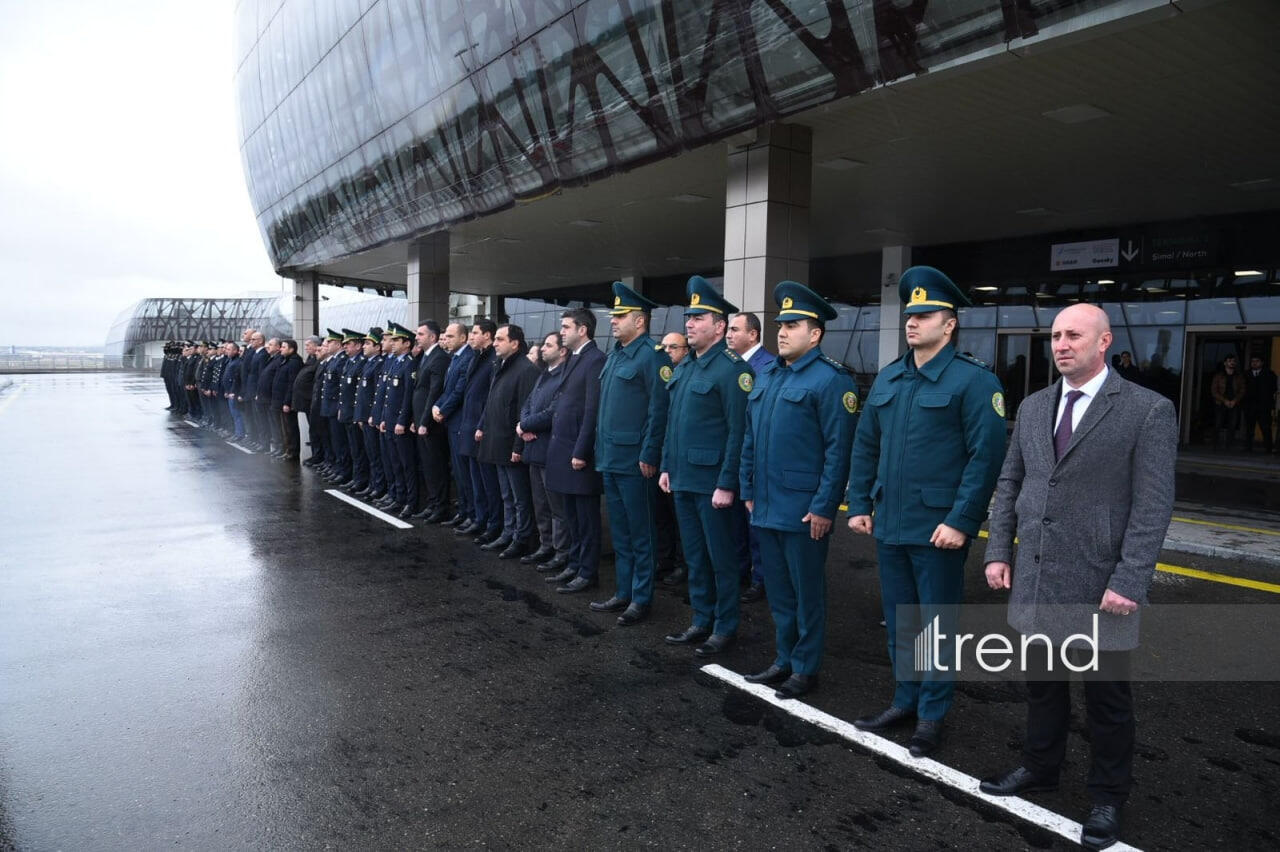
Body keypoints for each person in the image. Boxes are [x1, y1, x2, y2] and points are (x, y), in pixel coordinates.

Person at [979, 303, 1177, 852]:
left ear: (1104, 342)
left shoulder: (1147, 410)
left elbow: (1153, 505)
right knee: (1043, 688)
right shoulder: (1036, 405)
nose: (1061, 344)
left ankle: (1108, 797)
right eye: (1056, 335)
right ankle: (1039, 769)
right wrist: (998, 551)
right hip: (1038, 576)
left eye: (1074, 335)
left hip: (1100, 584)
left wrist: (1130, 580)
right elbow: (1011, 480)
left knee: (1107, 700)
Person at [845, 265, 1007, 758]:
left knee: (935, 625)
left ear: (950, 323)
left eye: (926, 314)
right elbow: (865, 444)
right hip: (892, 523)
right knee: (899, 621)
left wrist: (962, 521)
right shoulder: (892, 376)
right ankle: (904, 700)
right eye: (910, 315)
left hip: (938, 529)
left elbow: (986, 458)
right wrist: (858, 502)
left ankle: (932, 715)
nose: (913, 322)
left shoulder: (973, 382)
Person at [739, 282, 858, 699]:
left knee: (807, 594)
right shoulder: (768, 375)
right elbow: (750, 438)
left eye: (794, 324)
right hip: (767, 504)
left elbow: (837, 451)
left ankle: (806, 669)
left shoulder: (831, 381)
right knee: (780, 590)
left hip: (804, 508)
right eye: (781, 324)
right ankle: (783, 658)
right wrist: (747, 486)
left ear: (816, 333)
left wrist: (826, 506)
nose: (783, 331)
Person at [660, 276, 752, 655]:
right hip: (683, 479)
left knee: (721, 559)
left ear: (719, 326)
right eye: (689, 317)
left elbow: (739, 431)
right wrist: (666, 465)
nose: (690, 323)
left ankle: (725, 625)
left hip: (712, 483)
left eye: (699, 318)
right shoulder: (685, 368)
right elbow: (672, 423)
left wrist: (728, 482)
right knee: (695, 556)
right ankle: (701, 619)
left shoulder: (731, 370)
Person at [589, 282, 671, 626]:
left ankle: (641, 597)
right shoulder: (616, 355)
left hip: (635, 461)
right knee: (620, 532)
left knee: (641, 533)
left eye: (620, 316)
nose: (613, 321)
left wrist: (650, 454)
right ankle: (623, 591)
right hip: (610, 457)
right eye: (613, 315)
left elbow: (659, 409)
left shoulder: (653, 356)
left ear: (640, 321)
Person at [544, 308, 607, 594]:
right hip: (562, 450)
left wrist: (582, 451)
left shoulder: (595, 360)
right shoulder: (575, 359)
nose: (562, 332)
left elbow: (592, 410)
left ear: (582, 330)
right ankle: (573, 563)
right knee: (571, 515)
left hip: (578, 453)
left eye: (567, 327)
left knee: (586, 518)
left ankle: (587, 571)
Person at [476, 323, 540, 557]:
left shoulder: (525, 370)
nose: (495, 343)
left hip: (511, 445)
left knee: (520, 497)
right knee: (506, 495)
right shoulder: (500, 365)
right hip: (497, 440)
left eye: (500, 339)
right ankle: (509, 532)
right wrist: (482, 426)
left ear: (514, 343)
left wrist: (518, 446)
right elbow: (493, 401)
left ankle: (522, 538)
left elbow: (525, 411)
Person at [727, 311, 774, 604]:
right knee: (734, 523)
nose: (729, 335)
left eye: (735, 329)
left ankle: (760, 579)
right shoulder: (731, 365)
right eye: (728, 330)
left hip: (754, 456)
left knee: (753, 523)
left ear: (753, 335)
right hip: (734, 456)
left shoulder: (767, 366)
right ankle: (741, 571)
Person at [518, 332, 571, 572]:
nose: (543, 349)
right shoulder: (543, 376)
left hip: (551, 451)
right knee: (540, 504)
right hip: (534, 449)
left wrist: (526, 425)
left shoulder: (564, 377)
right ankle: (545, 545)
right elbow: (527, 405)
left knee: (557, 507)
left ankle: (561, 553)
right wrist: (522, 425)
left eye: (549, 346)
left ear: (562, 351)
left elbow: (553, 412)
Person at [456, 320, 499, 537]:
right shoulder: (477, 357)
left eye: (475, 332)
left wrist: (481, 425)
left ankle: (492, 523)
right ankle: (478, 518)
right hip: (469, 425)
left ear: (487, 335)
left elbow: (490, 398)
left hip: (480, 429)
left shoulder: (492, 360)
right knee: (474, 480)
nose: (471, 336)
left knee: (487, 483)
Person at [434, 322, 477, 527]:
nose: (447, 340)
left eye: (451, 336)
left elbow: (459, 391)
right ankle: (463, 511)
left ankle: (470, 513)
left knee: (464, 472)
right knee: (459, 473)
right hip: (452, 422)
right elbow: (447, 389)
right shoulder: (455, 358)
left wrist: (442, 409)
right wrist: (437, 405)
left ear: (463, 338)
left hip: (460, 422)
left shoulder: (467, 358)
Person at [657, 332, 690, 586]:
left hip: (683, 460)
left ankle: (682, 564)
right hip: (663, 457)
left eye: (674, 347)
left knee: (681, 519)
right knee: (664, 516)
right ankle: (666, 558)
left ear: (686, 350)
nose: (668, 351)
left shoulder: (686, 372)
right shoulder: (669, 372)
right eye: (664, 347)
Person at [411, 321, 451, 521]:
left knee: (436, 466)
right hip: (421, 422)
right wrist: (415, 420)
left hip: (431, 425)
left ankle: (441, 506)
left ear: (432, 337)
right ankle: (433, 502)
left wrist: (425, 422)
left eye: (420, 334)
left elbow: (434, 393)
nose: (416, 337)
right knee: (427, 466)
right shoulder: (426, 357)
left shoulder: (439, 358)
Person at [378, 323, 418, 517]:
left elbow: (408, 396)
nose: (392, 344)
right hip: (391, 421)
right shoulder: (395, 361)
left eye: (396, 340)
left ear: (407, 343)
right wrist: (385, 419)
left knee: (406, 465)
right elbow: (388, 395)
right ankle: (397, 496)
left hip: (400, 424)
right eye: (391, 340)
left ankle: (410, 502)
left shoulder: (410, 363)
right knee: (394, 462)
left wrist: (402, 420)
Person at [273, 339, 304, 460]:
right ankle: (288, 449)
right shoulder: (286, 360)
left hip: (287, 401)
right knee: (285, 427)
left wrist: (287, 402)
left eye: (284, 347)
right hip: (281, 400)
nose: (281, 349)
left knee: (290, 427)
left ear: (292, 349)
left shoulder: (294, 362)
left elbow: (292, 384)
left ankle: (293, 451)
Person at [292, 336, 322, 462]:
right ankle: (316, 454)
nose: (306, 348)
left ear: (316, 346)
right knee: (313, 430)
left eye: (308, 345)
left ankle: (319, 456)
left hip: (312, 401)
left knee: (317, 430)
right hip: (306, 401)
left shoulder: (319, 360)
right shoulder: (311, 358)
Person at [1243, 354, 1276, 453]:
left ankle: (1268, 448)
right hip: (1250, 405)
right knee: (1249, 428)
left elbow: (1274, 388)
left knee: (1265, 428)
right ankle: (1248, 448)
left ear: (1262, 362)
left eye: (1257, 361)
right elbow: (1242, 389)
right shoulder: (1246, 374)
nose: (1254, 363)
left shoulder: (1269, 374)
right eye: (1253, 361)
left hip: (1264, 406)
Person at [1210, 354, 1245, 449]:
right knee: (1218, 424)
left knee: (1232, 425)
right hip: (1220, 403)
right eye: (1229, 361)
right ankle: (1215, 445)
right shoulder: (1219, 376)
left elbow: (1242, 390)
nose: (1232, 363)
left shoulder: (1238, 376)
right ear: (1225, 363)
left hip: (1234, 403)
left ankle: (1229, 445)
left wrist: (1235, 400)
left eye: (1233, 361)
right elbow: (1214, 390)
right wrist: (1224, 400)